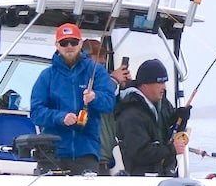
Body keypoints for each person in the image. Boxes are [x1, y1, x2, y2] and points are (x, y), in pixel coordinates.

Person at [29, 23, 118, 175]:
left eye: (73, 42)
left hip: (86, 152)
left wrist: (95, 97)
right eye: (64, 43)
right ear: (57, 45)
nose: (69, 46)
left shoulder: (96, 71)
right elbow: (36, 112)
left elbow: (109, 103)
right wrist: (60, 117)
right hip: (53, 153)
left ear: (81, 43)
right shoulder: (46, 76)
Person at [114, 59, 191, 176]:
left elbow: (171, 134)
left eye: (165, 82)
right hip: (143, 181)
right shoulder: (131, 113)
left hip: (166, 176)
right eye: (160, 83)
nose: (164, 87)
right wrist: (171, 149)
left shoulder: (164, 105)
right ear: (145, 84)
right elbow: (139, 152)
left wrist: (181, 119)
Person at [82, 38, 132, 175]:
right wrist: (113, 80)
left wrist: (126, 87)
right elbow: (88, 100)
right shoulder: (80, 80)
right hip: (88, 157)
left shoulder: (104, 83)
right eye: (98, 56)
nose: (103, 61)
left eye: (104, 56)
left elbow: (116, 112)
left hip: (104, 158)